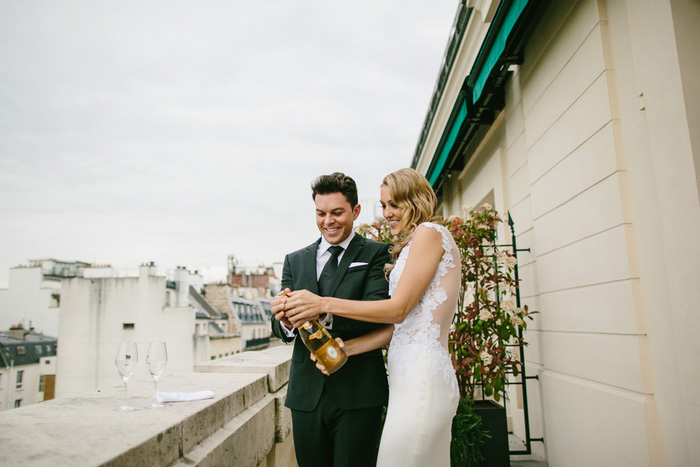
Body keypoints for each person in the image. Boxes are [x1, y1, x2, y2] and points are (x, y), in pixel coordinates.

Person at [281, 168, 460, 466]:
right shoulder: (409, 246)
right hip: (403, 377)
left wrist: (321, 303)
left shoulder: (428, 234)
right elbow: (402, 326)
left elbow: (397, 310)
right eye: (385, 205)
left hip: (420, 375)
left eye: (394, 205)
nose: (387, 213)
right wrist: (347, 347)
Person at [270, 172, 392, 467]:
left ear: (356, 211)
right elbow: (280, 329)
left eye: (337, 212)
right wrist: (285, 319)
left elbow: (379, 312)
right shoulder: (294, 260)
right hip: (305, 396)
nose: (329, 221)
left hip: (359, 392)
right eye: (321, 213)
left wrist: (322, 312)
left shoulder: (377, 253)